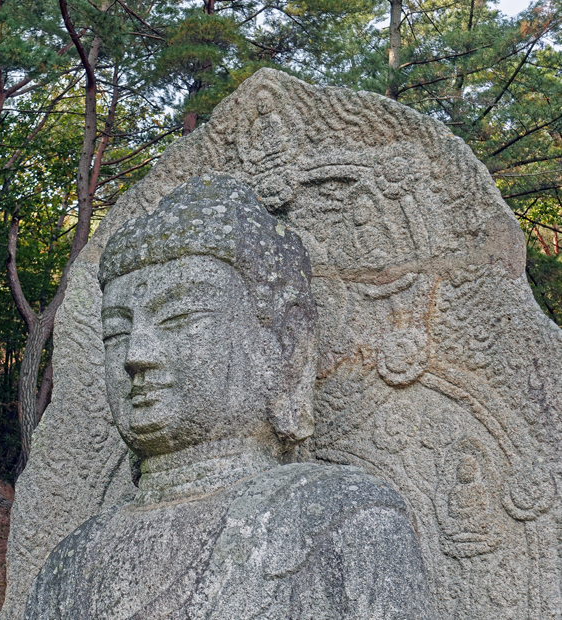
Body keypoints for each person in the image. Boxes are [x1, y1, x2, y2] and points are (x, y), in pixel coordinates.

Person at [23, 175, 436, 620]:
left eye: (180, 317)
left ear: (283, 346)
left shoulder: (345, 520)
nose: (136, 355)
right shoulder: (68, 566)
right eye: (116, 332)